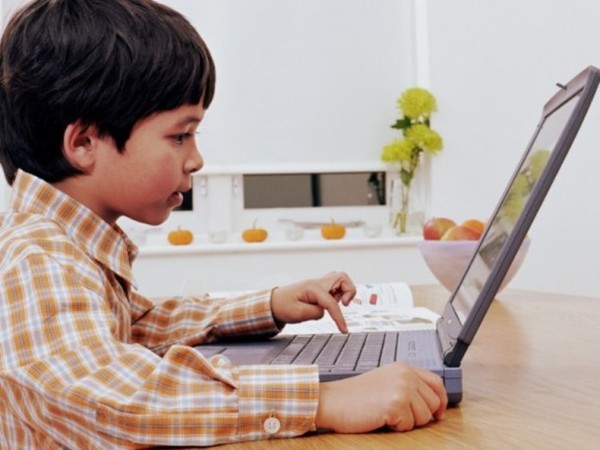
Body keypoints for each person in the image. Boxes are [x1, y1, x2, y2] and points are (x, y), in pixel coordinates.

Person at [0, 0, 448, 448]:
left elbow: (141, 328)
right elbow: (110, 397)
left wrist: (269, 305)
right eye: (180, 135)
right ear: (83, 142)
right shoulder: (37, 257)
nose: (196, 159)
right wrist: (324, 401)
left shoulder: (66, 246)